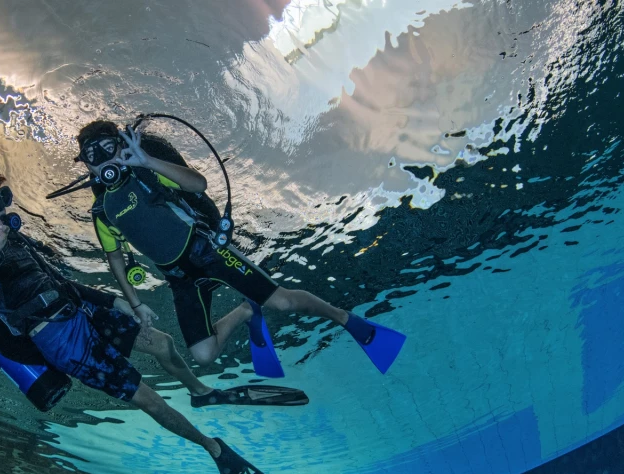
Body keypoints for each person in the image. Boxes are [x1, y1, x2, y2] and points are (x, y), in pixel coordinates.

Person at [0, 173, 307, 474]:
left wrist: (122, 303)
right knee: (150, 399)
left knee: (162, 343)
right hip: (63, 342)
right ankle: (213, 447)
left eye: (1, 198)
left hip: (81, 311)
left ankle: (199, 391)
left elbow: (61, 283)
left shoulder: (13, 238)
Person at [74, 120, 405, 375]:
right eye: (93, 156)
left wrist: (147, 161)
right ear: (86, 166)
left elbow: (198, 184)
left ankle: (345, 319)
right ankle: (247, 312)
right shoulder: (103, 210)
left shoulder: (146, 174)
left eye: (108, 148)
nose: (104, 160)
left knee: (284, 302)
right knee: (203, 355)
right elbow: (115, 257)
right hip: (179, 279)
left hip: (209, 253)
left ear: (122, 145)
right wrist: (136, 304)